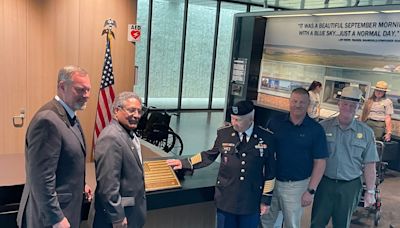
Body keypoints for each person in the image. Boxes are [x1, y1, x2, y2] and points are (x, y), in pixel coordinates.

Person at [167, 100, 276, 228]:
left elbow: (271, 172)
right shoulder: (224, 133)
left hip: (250, 200)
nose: (234, 123)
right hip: (226, 198)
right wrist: (186, 163)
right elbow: (209, 155)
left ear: (251, 118)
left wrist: (265, 200)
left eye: (238, 120)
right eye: (233, 118)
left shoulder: (266, 137)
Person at [17, 65, 92, 228]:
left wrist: (81, 184)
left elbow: (66, 161)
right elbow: (41, 177)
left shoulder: (70, 116)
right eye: (80, 90)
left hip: (67, 209)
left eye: (88, 90)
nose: (86, 96)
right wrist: (55, 217)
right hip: (50, 218)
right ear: (62, 87)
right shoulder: (47, 121)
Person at [311, 86, 379, 228]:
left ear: (358, 107)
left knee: (342, 224)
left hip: (350, 186)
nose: (348, 108)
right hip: (325, 184)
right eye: (345, 104)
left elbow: (370, 165)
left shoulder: (366, 133)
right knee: (317, 222)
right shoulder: (323, 128)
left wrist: (370, 191)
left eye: (353, 105)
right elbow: (313, 158)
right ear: (339, 104)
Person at [260, 87, 328, 228]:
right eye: (294, 101)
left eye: (302, 102)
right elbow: (264, 151)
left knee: (292, 224)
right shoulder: (275, 123)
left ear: (308, 104)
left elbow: (320, 162)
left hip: (296, 186)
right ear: (289, 102)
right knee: (265, 222)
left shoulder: (315, 129)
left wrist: (310, 191)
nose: (297, 105)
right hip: (271, 182)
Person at [93, 92, 146, 228]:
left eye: (139, 111)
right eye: (131, 110)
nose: (136, 115)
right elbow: (108, 184)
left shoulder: (127, 134)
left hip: (131, 213)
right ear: (116, 111)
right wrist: (117, 216)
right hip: (117, 219)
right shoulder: (111, 137)